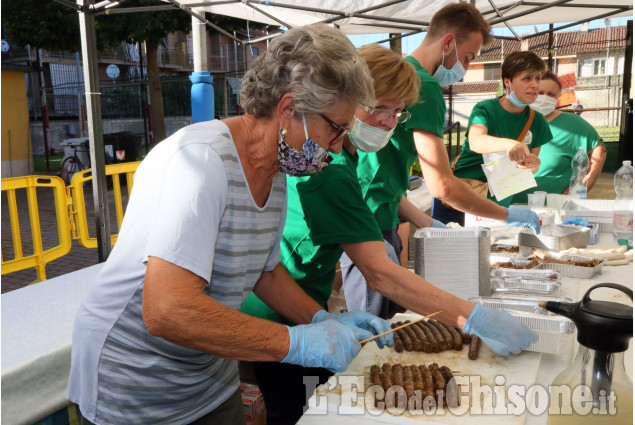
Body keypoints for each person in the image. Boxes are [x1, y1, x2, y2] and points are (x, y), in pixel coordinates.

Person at [66, 25, 394, 425]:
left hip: (208, 377)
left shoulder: (274, 172)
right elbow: (167, 310)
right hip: (136, 385)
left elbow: (265, 271)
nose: (339, 145)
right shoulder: (200, 162)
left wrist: (319, 319)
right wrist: (294, 342)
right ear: (289, 110)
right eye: (336, 129)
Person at [241, 44, 536, 425]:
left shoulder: (342, 156)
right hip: (276, 310)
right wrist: (472, 317)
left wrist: (319, 315)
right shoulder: (325, 169)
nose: (387, 121)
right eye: (378, 107)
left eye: (397, 112)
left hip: (304, 300)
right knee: (295, 408)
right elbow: (379, 273)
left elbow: (384, 209)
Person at [355, 2, 540, 236]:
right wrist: (506, 215)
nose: (466, 68)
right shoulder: (426, 86)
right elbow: (442, 186)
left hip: (370, 212)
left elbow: (382, 179)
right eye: (467, 58)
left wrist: (427, 222)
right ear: (449, 42)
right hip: (371, 222)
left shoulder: (404, 75)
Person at [443, 50, 552, 223]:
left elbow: (529, 164)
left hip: (500, 202)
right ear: (507, 82)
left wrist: (535, 165)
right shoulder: (485, 109)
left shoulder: (537, 120)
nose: (534, 85)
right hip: (463, 196)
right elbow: (476, 141)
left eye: (537, 78)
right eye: (527, 78)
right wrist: (510, 144)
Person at [512, 71, 606, 203]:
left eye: (551, 94)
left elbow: (598, 149)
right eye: (540, 92)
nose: (544, 98)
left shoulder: (573, 124)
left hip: (553, 206)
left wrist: (585, 184)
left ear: (558, 97)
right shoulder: (513, 119)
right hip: (510, 204)